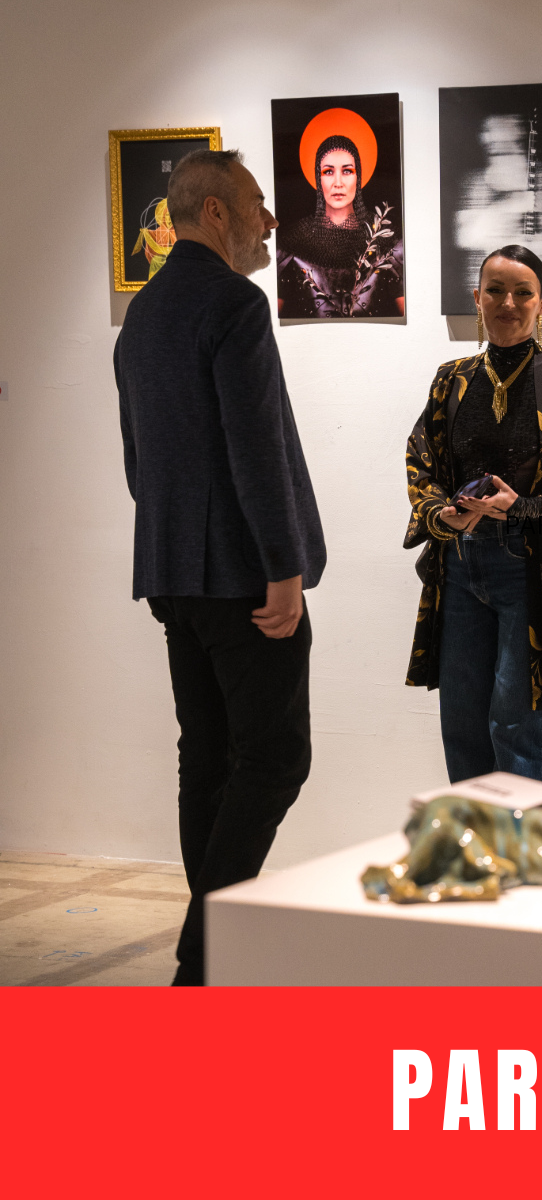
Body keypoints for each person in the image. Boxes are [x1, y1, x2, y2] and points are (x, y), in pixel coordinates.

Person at [113, 148, 326, 986]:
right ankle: (204, 954)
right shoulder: (234, 305)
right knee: (275, 757)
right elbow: (256, 449)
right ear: (214, 215)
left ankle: (210, 958)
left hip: (172, 571)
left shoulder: (144, 315)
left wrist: (175, 542)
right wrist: (282, 567)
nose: (270, 219)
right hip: (243, 577)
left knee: (205, 756)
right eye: (257, 204)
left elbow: (138, 461)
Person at [404, 244, 542, 785]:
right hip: (460, 567)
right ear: (476, 298)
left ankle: (524, 861)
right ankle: (478, 861)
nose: (508, 302)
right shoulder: (451, 380)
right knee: (464, 728)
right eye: (495, 290)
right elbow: (421, 460)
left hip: (530, 572)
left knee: (523, 731)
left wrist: (519, 508)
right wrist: (441, 516)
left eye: (523, 292)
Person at [276, 133, 403, 318]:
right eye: (328, 171)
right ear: (318, 179)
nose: (338, 183)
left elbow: (412, 317)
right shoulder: (291, 243)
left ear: (358, 177)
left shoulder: (389, 241)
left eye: (347, 171)